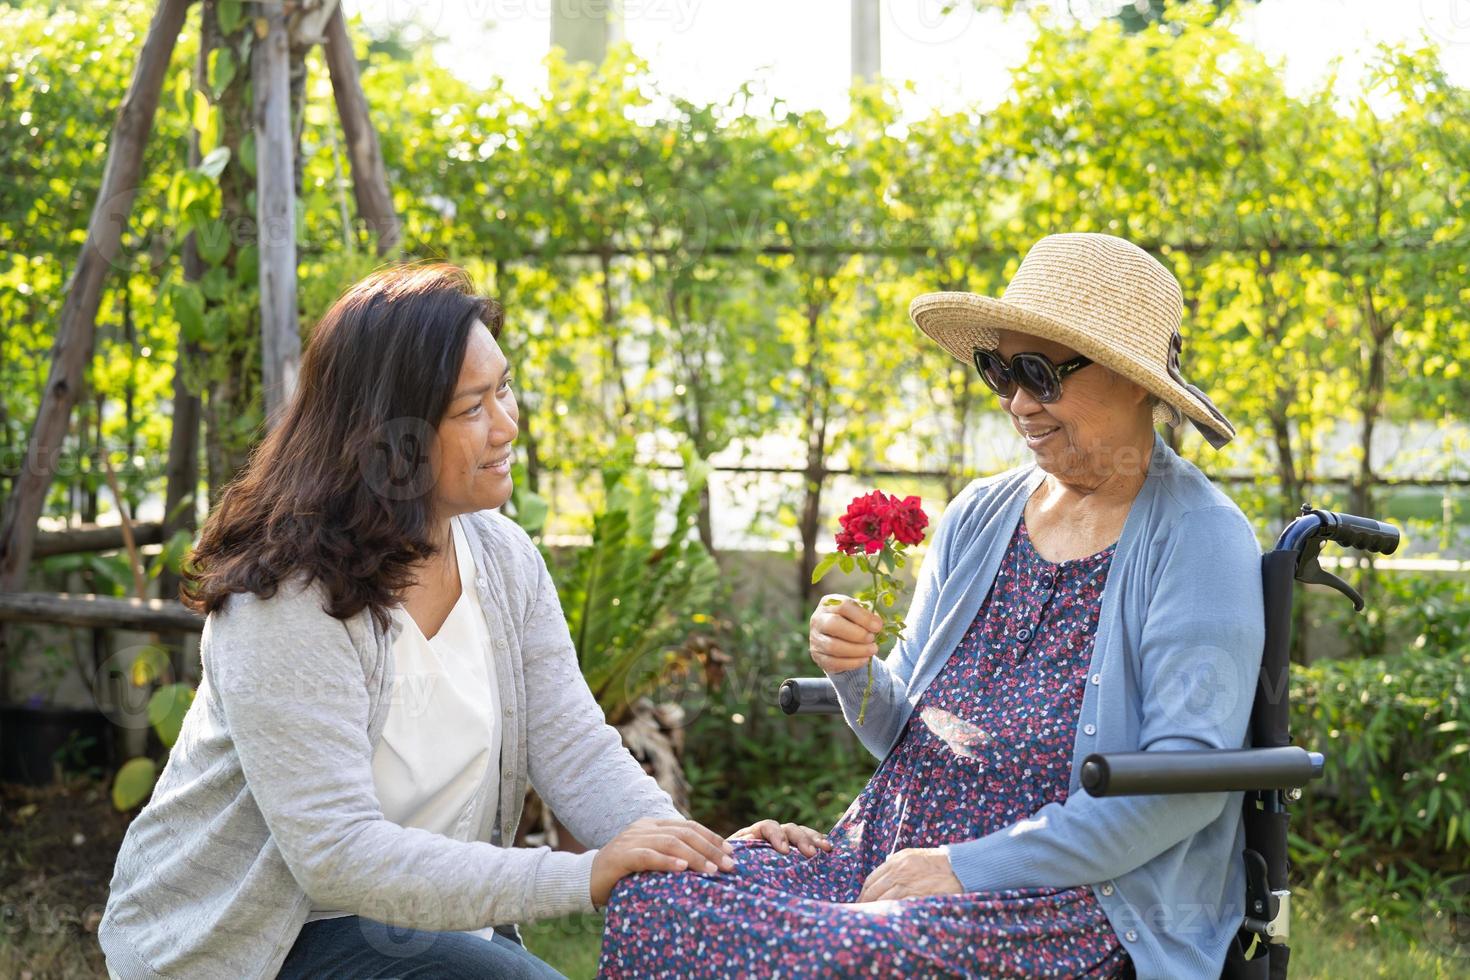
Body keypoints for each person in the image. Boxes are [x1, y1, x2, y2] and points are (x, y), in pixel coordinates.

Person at [597, 233, 1265, 979]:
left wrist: (964, 866)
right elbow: (901, 731)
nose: (1016, 402)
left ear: (1135, 379)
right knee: (658, 892)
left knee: (837, 957)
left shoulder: (1200, 539)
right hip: (887, 858)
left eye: (1040, 373)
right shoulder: (981, 514)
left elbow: (1185, 789)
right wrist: (854, 671)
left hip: (1066, 898)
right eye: (999, 370)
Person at [98, 264, 749, 980]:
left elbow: (575, 750)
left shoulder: (503, 557)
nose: (507, 424)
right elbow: (337, 858)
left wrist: (698, 856)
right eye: (472, 408)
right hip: (254, 945)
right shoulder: (285, 598)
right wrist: (582, 875)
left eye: (503, 388)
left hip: (419, 929)